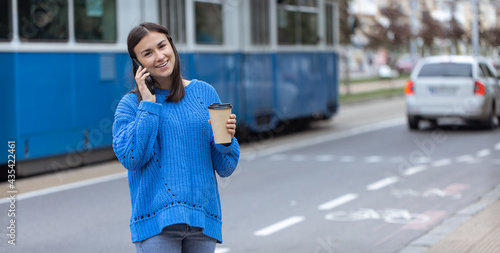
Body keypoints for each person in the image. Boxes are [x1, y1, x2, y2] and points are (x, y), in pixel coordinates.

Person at [112, 22, 240, 253]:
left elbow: (226, 167)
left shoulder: (204, 93)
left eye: (162, 46)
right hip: (157, 227)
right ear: (137, 63)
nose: (159, 56)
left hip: (203, 223)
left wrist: (227, 140)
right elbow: (131, 157)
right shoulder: (131, 105)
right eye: (147, 53)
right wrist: (148, 106)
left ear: (171, 45)